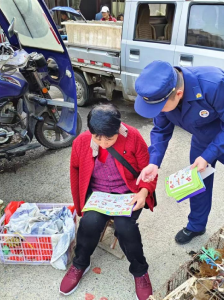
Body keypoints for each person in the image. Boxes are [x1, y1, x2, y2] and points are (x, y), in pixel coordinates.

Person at [134, 61, 224, 245]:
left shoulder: (215, 83)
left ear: (179, 94)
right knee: (197, 185)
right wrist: (154, 162)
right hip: (202, 138)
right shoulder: (162, 96)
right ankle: (196, 225)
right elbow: (160, 130)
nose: (156, 112)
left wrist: (208, 156)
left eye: (158, 108)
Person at [60, 104, 157, 300]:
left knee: (125, 227)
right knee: (89, 223)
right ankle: (80, 264)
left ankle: (140, 271)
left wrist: (143, 193)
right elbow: (76, 173)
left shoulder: (133, 136)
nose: (103, 143)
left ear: (118, 129)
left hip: (128, 193)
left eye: (109, 138)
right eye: (97, 138)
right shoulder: (81, 142)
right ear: (90, 131)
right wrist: (81, 204)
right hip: (99, 195)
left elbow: (148, 170)